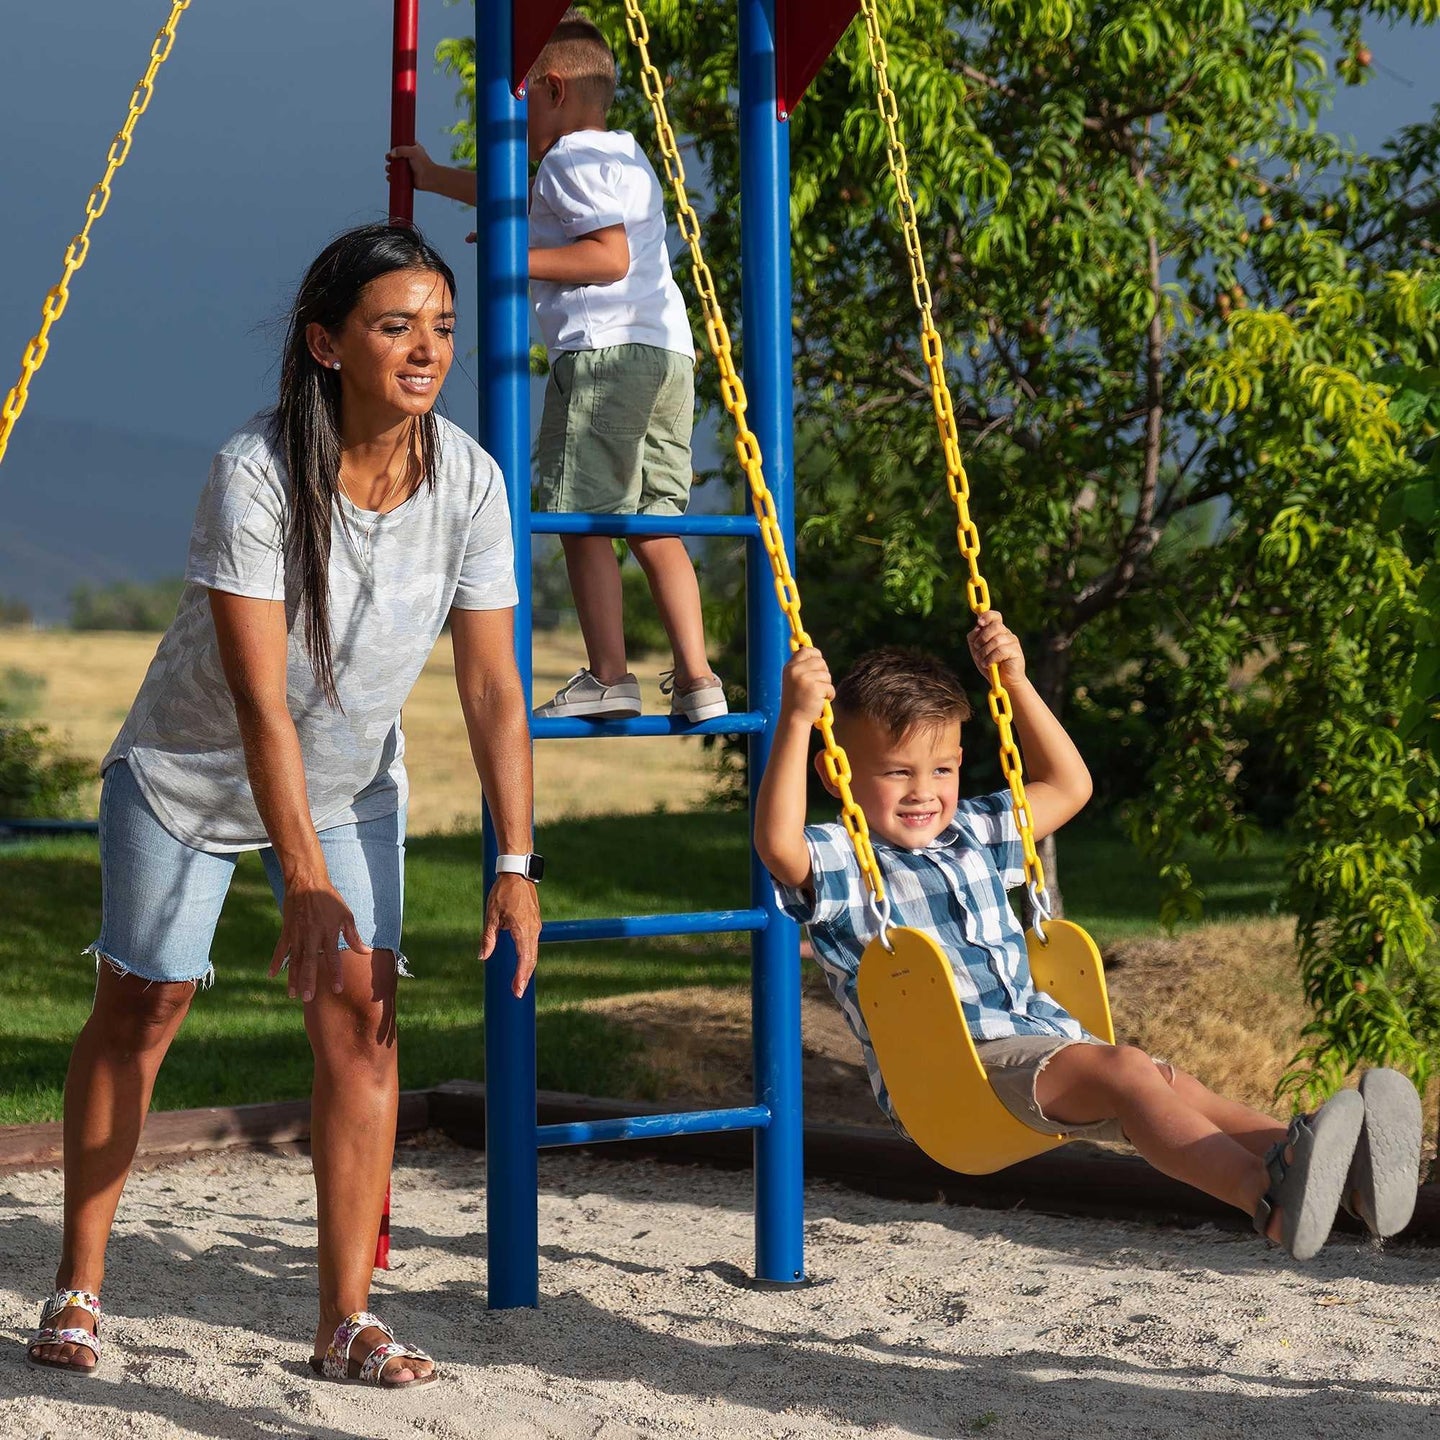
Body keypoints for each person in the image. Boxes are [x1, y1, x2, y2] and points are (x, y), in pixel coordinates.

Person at [25, 223, 542, 1388]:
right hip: (190, 770)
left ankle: (345, 1319)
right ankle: (78, 1284)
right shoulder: (256, 472)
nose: (427, 348)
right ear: (327, 344)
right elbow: (261, 704)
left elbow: (494, 688)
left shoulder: (469, 480)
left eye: (442, 326)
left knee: (363, 1023)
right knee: (144, 1006)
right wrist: (302, 880)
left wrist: (518, 861)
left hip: (349, 785)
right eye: (395, 325)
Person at [754, 613, 1423, 1260]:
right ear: (838, 772)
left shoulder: (975, 831)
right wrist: (795, 720)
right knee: (1128, 1071)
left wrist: (1015, 683)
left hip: (1041, 1041)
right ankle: (1269, 1198)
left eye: (942, 770)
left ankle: (1342, 1179)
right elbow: (778, 846)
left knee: (1172, 1086)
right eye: (897, 771)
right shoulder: (844, 857)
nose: (923, 792)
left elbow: (1070, 785)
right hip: (957, 1078)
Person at [388, 7, 725, 725]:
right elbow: (518, 194)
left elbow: (608, 257)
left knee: (581, 515)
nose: (513, 123)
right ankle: (699, 677)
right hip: (668, 356)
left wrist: (515, 256)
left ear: (551, 89)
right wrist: (436, 177)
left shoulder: (571, 158)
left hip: (605, 358)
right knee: (654, 521)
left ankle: (609, 674)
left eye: (519, 101)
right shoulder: (619, 154)